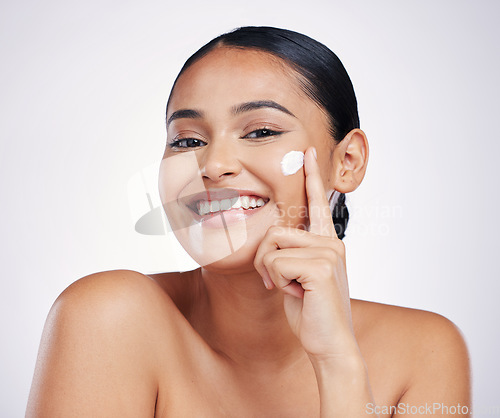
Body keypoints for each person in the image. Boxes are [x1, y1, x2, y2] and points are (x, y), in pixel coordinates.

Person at [26, 26, 471, 417]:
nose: (214, 164)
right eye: (187, 140)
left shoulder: (426, 352)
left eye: (261, 132)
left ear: (348, 161)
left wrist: (338, 364)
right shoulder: (108, 318)